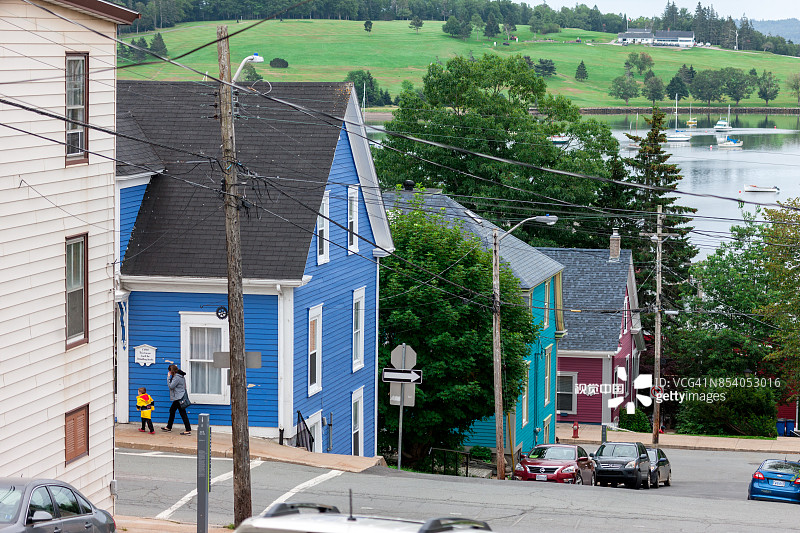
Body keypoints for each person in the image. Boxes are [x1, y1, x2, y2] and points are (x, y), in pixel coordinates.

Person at [162, 364, 191, 435]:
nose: (169, 372)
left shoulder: (177, 377)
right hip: (179, 396)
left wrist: (168, 377)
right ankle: (169, 427)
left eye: (169, 371)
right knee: (173, 411)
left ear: (171, 371)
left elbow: (171, 386)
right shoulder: (179, 376)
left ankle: (187, 430)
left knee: (181, 413)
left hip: (179, 397)